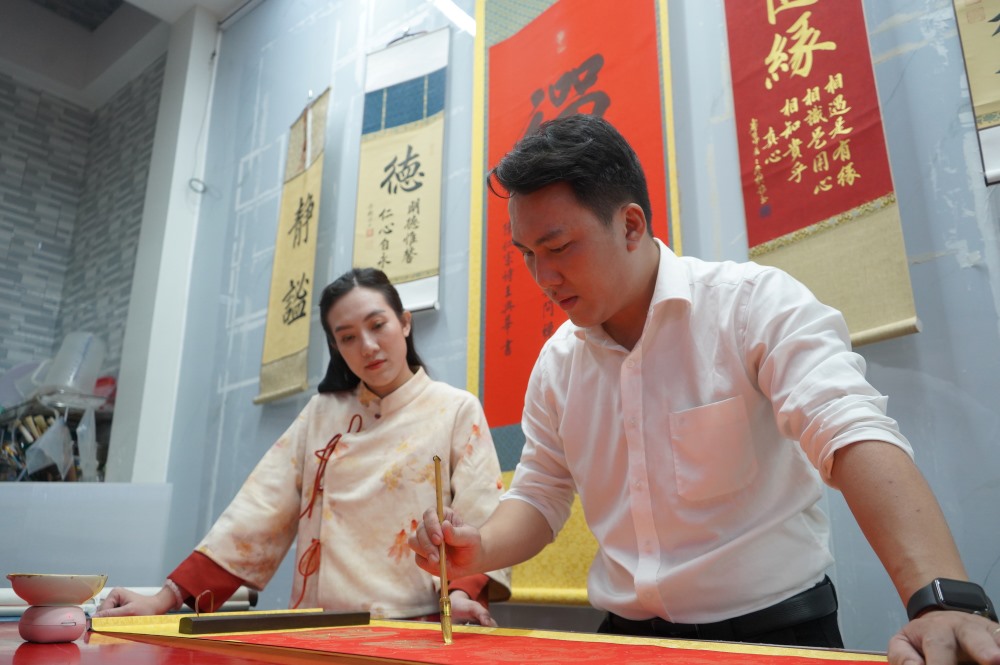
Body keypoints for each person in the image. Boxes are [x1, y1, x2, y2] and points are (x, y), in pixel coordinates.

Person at [408, 114, 1000, 662]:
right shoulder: (558, 364)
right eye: (528, 255)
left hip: (773, 633)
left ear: (631, 224)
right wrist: (479, 548)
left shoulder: (751, 306)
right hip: (627, 637)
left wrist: (941, 596)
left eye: (559, 248)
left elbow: (846, 427)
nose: (543, 277)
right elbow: (541, 493)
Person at [97, 267, 510, 625]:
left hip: (416, 628)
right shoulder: (321, 414)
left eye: (378, 325)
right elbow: (257, 511)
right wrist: (162, 598)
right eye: (347, 337)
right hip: (317, 626)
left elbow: (481, 516)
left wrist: (462, 595)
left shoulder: (455, 409)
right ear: (335, 346)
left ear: (404, 322)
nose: (366, 346)